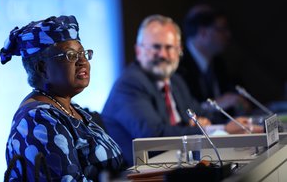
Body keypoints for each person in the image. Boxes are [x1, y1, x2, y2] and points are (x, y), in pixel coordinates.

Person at [101, 15, 261, 167]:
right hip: (137, 173)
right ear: (138, 51)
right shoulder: (130, 83)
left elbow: (199, 114)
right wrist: (217, 130)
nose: (163, 54)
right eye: (155, 47)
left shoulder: (175, 80)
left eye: (169, 47)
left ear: (179, 50)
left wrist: (229, 125)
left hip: (175, 164)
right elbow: (153, 135)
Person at [1, 15, 123, 181]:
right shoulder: (37, 120)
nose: (82, 61)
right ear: (42, 68)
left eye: (83, 53)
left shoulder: (71, 109)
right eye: (71, 55)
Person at [177, 5, 250, 123]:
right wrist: (216, 104)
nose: (228, 35)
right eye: (222, 29)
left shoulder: (219, 62)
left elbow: (233, 98)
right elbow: (183, 110)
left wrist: (238, 104)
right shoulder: (178, 65)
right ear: (203, 32)